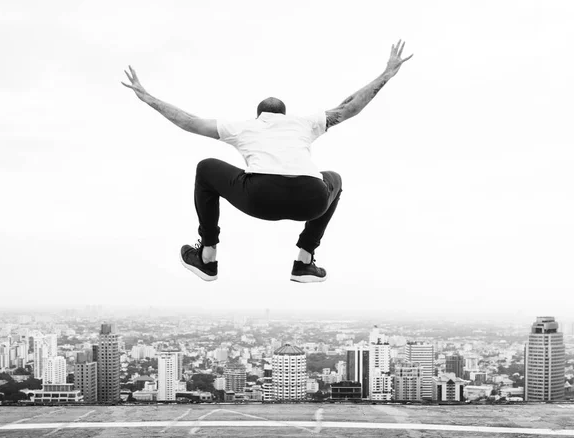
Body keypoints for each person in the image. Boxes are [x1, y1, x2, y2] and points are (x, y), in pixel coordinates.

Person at [122, 40, 412, 283]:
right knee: (333, 178)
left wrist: (149, 99)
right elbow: (349, 107)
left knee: (206, 168)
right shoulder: (305, 123)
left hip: (260, 197)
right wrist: (386, 74)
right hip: (311, 199)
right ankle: (305, 259)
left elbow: (188, 122)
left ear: (258, 114)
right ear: (284, 115)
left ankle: (207, 256)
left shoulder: (244, 127)